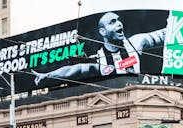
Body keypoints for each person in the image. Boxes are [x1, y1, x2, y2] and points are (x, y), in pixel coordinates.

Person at [33, 11, 166, 86]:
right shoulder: (99, 59)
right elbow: (72, 70)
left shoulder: (135, 43)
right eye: (112, 22)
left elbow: (164, 34)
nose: (119, 23)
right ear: (103, 32)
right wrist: (46, 75)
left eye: (118, 20)